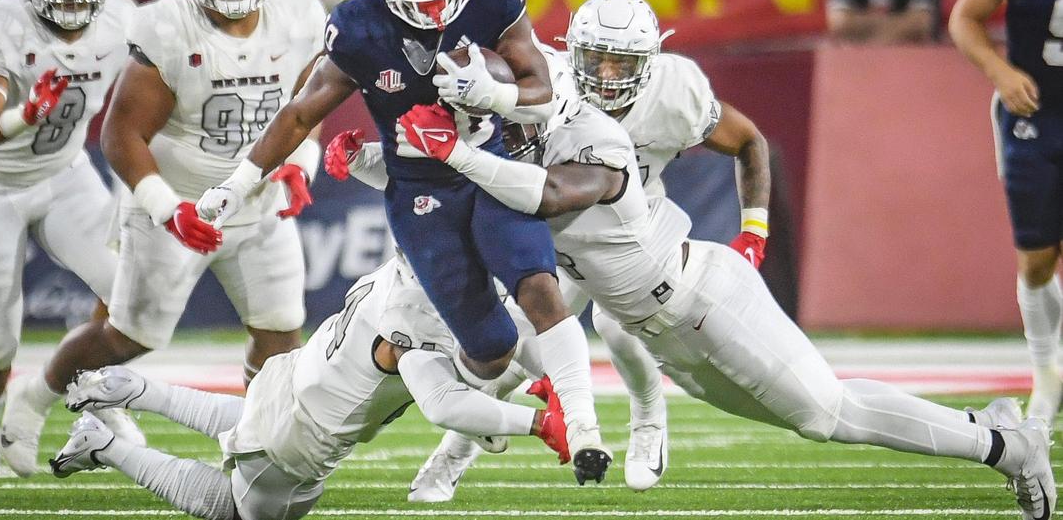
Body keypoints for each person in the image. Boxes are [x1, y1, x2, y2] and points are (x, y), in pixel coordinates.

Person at [393, 87, 1057, 520]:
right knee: (816, 416)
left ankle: (1007, 447)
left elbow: (545, 193)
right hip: (667, 334)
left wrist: (456, 153)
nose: (509, 134)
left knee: (828, 412)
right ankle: (986, 423)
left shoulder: (593, 147)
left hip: (705, 295)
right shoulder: (523, 149)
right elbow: (528, 314)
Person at [195, 0, 611, 484]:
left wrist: (491, 95)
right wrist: (238, 183)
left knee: (540, 287)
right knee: (489, 349)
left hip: (490, 169)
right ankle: (501, 395)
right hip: (422, 195)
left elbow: (539, 92)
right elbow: (300, 112)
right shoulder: (360, 27)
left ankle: (586, 427)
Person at [394, 0, 773, 497]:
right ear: (571, 51)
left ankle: (648, 420)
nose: (608, 74)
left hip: (628, 232)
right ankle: (451, 459)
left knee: (619, 329)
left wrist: (754, 232)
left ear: (649, 60)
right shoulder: (545, 80)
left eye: (623, 62)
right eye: (596, 58)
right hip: (556, 228)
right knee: (509, 349)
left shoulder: (674, 92)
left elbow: (749, 140)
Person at [0, 0, 327, 477]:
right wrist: (167, 208)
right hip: (174, 204)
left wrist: (300, 163)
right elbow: (120, 133)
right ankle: (34, 396)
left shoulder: (297, 14)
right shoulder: (169, 28)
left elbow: (306, 106)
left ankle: (256, 445)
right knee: (129, 337)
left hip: (257, 201)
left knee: (280, 335)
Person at [49, 254, 569, 520]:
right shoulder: (418, 320)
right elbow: (442, 405)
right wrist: (538, 423)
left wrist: (548, 374)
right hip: (306, 435)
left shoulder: (400, 272)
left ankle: (133, 388)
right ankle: (106, 445)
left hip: (292, 377)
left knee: (248, 422)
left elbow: (503, 333)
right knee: (238, 511)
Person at [0, 0, 139, 477]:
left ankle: (94, 392)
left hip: (64, 172)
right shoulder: (1, 27)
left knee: (132, 295)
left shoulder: (123, 20)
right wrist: (23, 115)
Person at [950, 0, 1063, 426]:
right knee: (1038, 258)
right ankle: (1048, 373)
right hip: (1034, 114)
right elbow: (965, 17)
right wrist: (1001, 71)